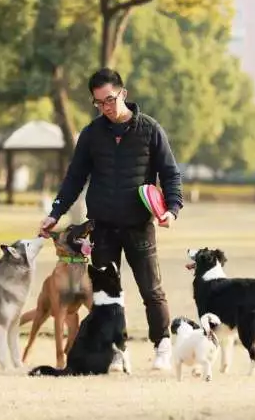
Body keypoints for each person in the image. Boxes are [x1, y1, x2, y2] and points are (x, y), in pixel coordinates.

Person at [38, 67, 183, 371]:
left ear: (123, 94)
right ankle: (117, 351)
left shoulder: (150, 129)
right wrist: (55, 213)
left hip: (139, 225)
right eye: (99, 103)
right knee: (106, 296)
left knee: (151, 290)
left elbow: (170, 173)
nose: (106, 107)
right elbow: (74, 178)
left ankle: (162, 347)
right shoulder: (92, 134)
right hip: (102, 227)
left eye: (110, 99)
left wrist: (172, 208)